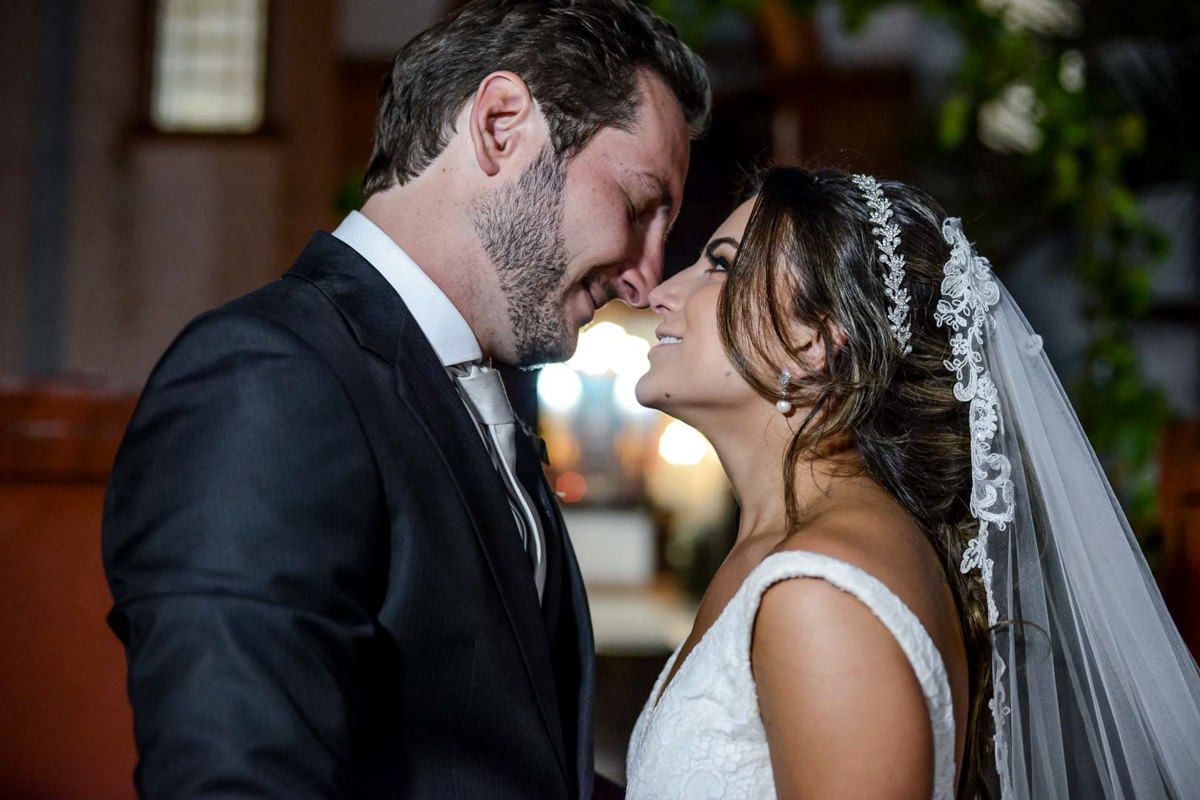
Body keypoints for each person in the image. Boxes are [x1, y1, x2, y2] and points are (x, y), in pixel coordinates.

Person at [101, 2, 709, 797]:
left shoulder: (484, 388)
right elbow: (239, 777)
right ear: (499, 124)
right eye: (637, 206)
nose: (647, 274)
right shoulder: (269, 377)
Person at [626, 167, 1200, 799]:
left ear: (814, 341)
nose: (662, 292)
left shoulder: (822, 593)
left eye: (722, 266)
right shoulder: (794, 550)